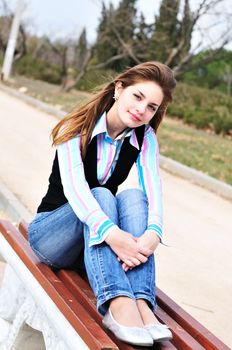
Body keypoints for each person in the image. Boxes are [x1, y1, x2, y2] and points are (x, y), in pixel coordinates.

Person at [28, 61, 176, 347]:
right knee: (101, 195)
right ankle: (118, 303)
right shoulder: (77, 126)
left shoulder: (144, 137)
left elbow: (153, 187)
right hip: (50, 238)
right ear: (119, 89)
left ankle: (142, 303)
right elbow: (78, 193)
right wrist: (115, 236)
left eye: (152, 107)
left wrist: (153, 233)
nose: (141, 110)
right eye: (138, 97)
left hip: (92, 244)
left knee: (133, 197)